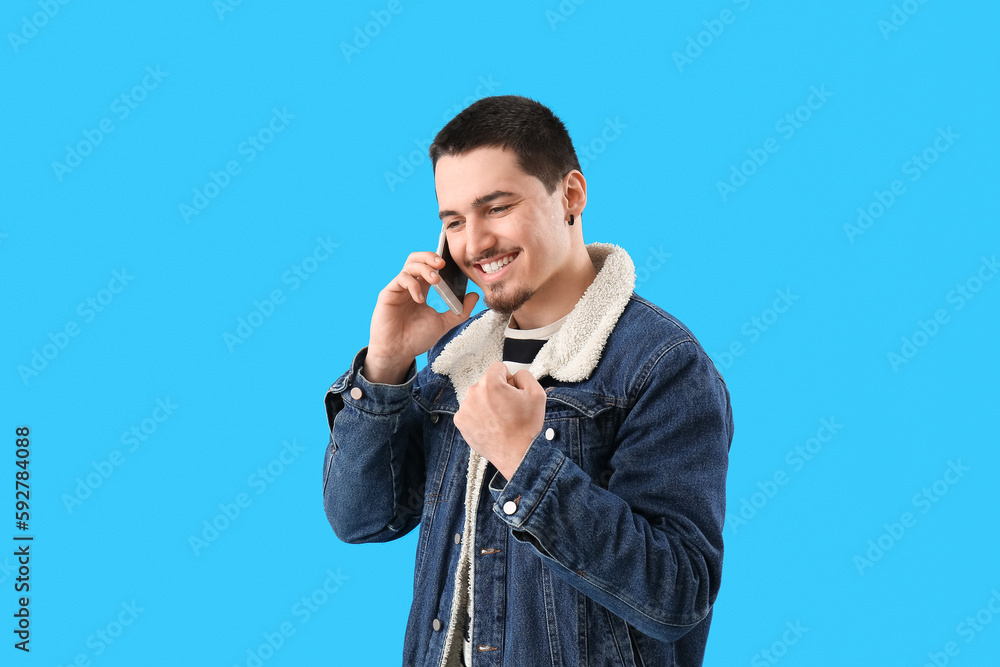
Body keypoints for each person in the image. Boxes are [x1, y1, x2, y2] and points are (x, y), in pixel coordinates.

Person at [322, 95, 733, 666]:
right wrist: (387, 366)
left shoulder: (659, 364)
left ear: (570, 195)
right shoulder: (456, 363)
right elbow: (360, 518)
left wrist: (527, 463)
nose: (474, 243)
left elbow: (676, 594)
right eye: (453, 221)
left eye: (497, 207)